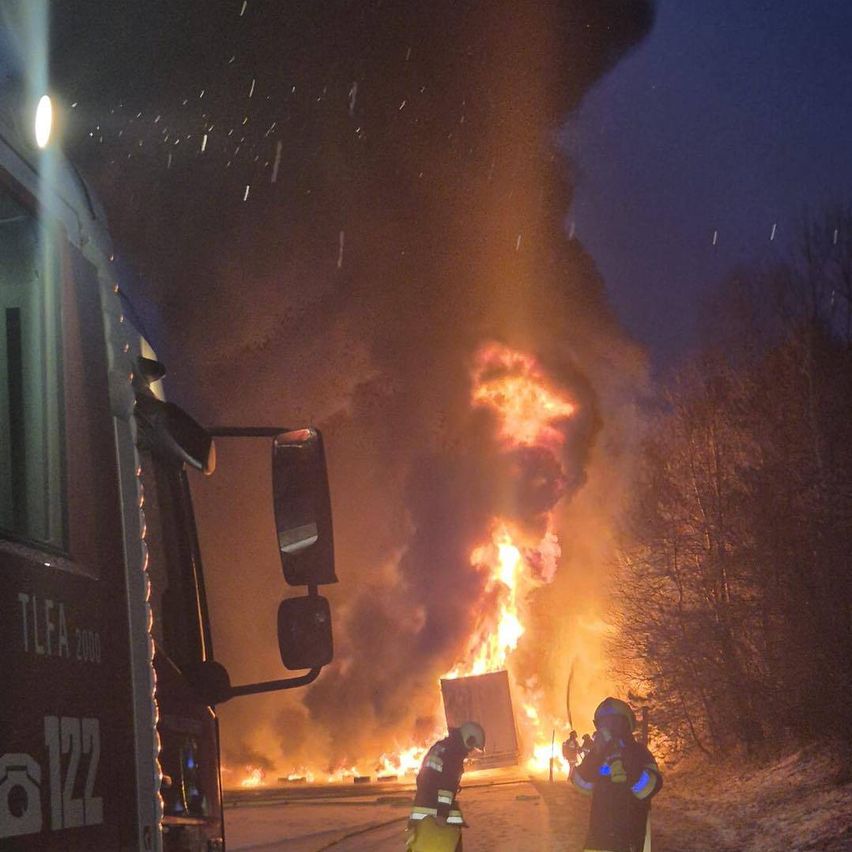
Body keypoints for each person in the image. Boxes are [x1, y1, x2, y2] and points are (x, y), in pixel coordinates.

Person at [572, 698, 662, 852]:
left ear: (627, 724)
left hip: (629, 839)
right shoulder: (597, 754)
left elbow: (648, 788)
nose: (608, 728)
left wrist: (624, 761)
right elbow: (581, 785)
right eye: (603, 723)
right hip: (598, 840)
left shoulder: (639, 752)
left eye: (614, 722)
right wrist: (596, 755)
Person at [406, 721, 485, 852]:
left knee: (419, 846)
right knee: (445, 844)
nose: (470, 751)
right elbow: (446, 787)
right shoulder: (452, 754)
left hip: (422, 808)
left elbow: (422, 778)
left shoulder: (441, 747)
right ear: (469, 739)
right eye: (472, 747)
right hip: (436, 813)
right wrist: (442, 814)